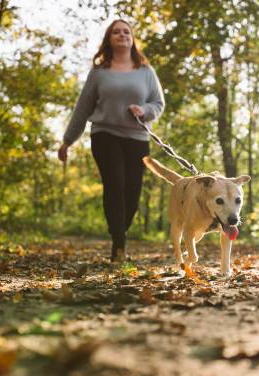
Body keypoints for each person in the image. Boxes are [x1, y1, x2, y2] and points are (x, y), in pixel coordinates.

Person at [58, 19, 165, 262]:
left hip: (137, 137)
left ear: (132, 38)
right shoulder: (99, 72)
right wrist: (67, 141)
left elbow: (158, 104)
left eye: (126, 31)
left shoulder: (146, 71)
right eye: (116, 32)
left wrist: (144, 110)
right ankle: (119, 242)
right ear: (109, 38)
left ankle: (120, 231)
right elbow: (83, 108)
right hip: (105, 135)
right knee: (115, 183)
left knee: (133, 191)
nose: (122, 35)